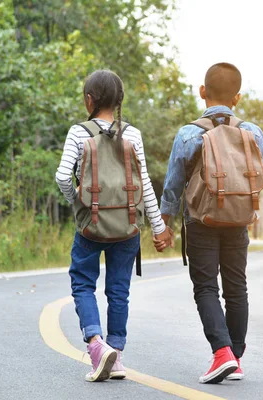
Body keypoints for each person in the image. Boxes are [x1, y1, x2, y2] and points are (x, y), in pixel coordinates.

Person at [156, 63, 263, 383]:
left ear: (202, 91)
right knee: (237, 288)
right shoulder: (251, 131)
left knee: (206, 288)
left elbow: (173, 184)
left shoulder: (189, 133)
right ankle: (235, 358)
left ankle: (222, 353)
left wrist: (164, 223)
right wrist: (241, 189)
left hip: (201, 220)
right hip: (238, 220)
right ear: (237, 97)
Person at [55, 69, 173, 382]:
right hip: (127, 226)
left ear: (88, 100)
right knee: (119, 292)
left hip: (91, 225)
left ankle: (96, 344)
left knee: (82, 283)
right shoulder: (131, 134)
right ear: (119, 101)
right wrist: (159, 226)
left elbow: (62, 176)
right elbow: (144, 182)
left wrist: (77, 201)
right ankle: (116, 355)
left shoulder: (79, 132)